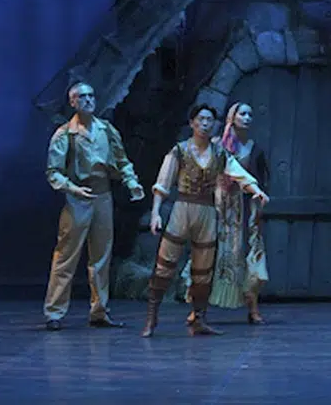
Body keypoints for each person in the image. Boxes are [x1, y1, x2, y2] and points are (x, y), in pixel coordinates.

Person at [141, 104, 269, 338]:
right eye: (201, 119)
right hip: (183, 208)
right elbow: (163, 182)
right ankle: (152, 317)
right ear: (192, 123)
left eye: (210, 120)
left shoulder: (220, 153)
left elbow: (239, 174)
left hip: (207, 211)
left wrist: (256, 190)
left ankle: (199, 318)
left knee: (203, 270)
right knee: (165, 264)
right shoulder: (180, 151)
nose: (205, 124)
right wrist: (156, 212)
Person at [42, 82, 145, 330]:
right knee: (66, 255)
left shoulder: (106, 129)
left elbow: (121, 160)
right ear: (73, 102)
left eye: (91, 95)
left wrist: (131, 182)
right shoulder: (65, 134)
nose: (88, 100)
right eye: (82, 97)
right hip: (78, 197)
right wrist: (73, 188)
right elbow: (53, 171)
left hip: (102, 195)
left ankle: (99, 310)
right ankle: (54, 312)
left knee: (101, 256)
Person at [183, 102, 272, 324]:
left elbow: (260, 179)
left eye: (250, 114)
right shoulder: (217, 146)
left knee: (247, 254)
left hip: (243, 210)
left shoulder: (254, 149)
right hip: (218, 208)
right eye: (243, 114)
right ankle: (198, 309)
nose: (247, 118)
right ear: (232, 118)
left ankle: (253, 308)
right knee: (207, 254)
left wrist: (258, 202)